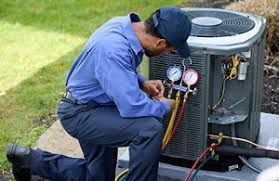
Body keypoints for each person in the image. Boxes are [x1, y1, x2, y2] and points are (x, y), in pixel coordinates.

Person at [7, 6, 192, 181]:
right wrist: (164, 106)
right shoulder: (113, 49)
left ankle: (31, 161)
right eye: (170, 50)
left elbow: (118, 69)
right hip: (82, 114)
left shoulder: (124, 26)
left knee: (99, 177)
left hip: (96, 107)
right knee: (149, 130)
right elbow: (132, 107)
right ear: (160, 42)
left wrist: (142, 83)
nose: (167, 54)